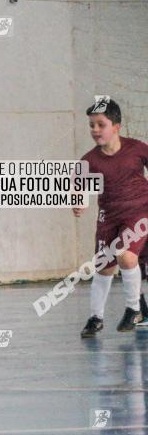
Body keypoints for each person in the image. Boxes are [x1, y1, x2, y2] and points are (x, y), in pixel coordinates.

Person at [75, 98, 148, 336]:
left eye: (100, 124)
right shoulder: (89, 160)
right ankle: (96, 317)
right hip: (108, 217)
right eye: (91, 125)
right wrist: (78, 202)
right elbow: (79, 187)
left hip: (139, 212)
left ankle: (134, 309)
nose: (95, 130)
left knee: (126, 256)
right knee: (103, 268)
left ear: (116, 126)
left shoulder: (136, 149)